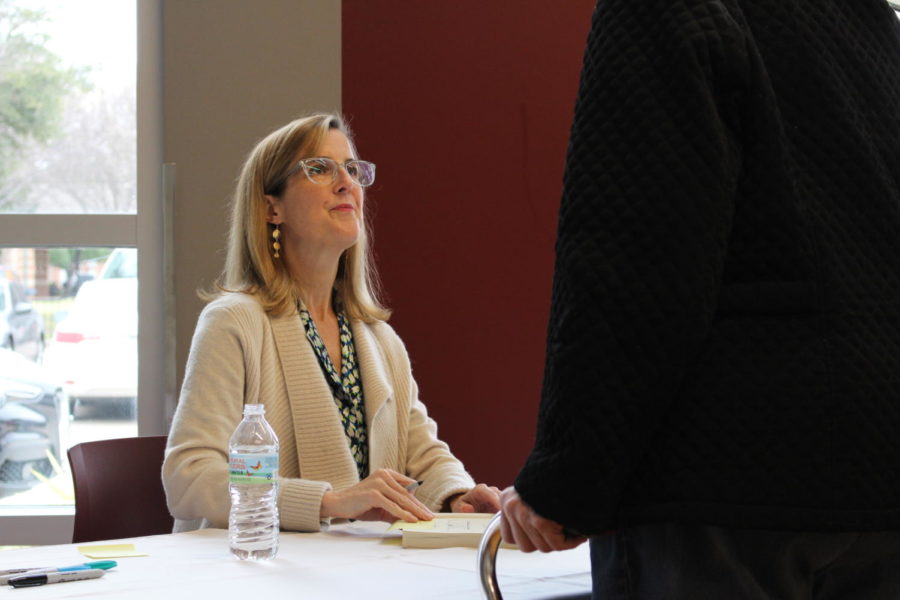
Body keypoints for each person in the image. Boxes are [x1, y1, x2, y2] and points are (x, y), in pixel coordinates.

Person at [501, 0, 900, 597]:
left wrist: (567, 479)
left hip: (720, 491)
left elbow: (635, 259)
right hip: (878, 483)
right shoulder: (875, 24)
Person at [163, 113, 499, 533]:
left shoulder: (381, 340)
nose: (346, 183)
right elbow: (189, 477)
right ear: (272, 208)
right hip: (257, 572)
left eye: (352, 169)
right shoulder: (233, 323)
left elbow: (421, 453)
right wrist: (328, 502)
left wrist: (457, 495)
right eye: (319, 169)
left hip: (359, 572)